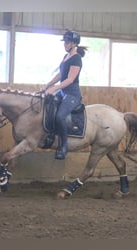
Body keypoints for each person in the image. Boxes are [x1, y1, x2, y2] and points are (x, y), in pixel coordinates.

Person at [43, 30, 88, 160]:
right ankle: (51, 135)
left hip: (72, 94)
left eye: (67, 42)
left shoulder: (77, 59)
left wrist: (55, 88)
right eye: (64, 42)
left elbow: (69, 79)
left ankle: (64, 146)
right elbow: (59, 75)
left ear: (74, 43)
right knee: (48, 106)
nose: (65, 44)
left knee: (60, 116)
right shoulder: (66, 57)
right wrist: (47, 86)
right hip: (63, 92)